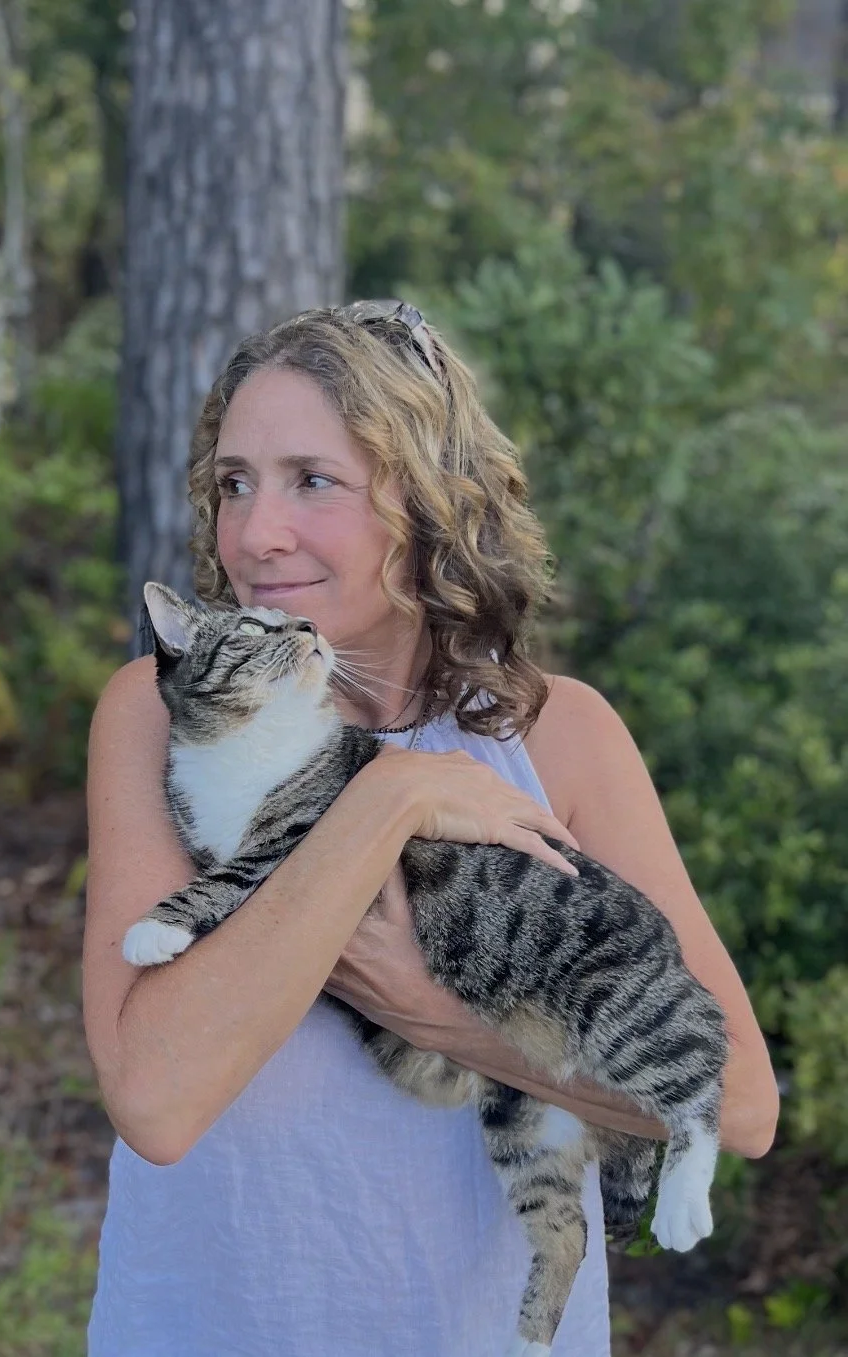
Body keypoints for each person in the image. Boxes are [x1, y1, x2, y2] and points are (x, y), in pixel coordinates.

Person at [83, 301, 779, 1357]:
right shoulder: (163, 713)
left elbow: (740, 1104)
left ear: (426, 499)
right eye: (235, 482)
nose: (254, 532)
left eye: (312, 479)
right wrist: (392, 800)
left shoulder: (564, 737)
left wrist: (428, 1008)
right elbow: (156, 1098)